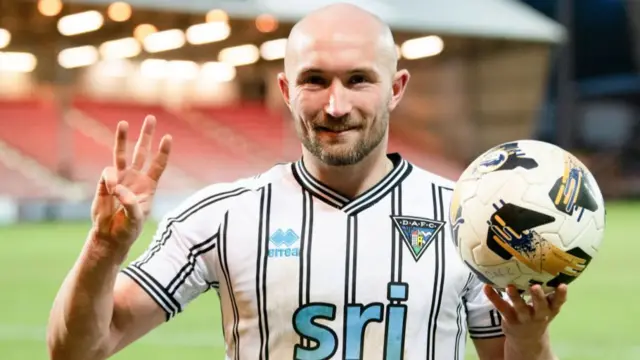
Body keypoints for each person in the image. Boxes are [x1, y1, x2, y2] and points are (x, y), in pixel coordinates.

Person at [46, 3, 567, 360]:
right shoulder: (220, 217)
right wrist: (102, 249)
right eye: (314, 80)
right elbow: (81, 349)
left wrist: (530, 337)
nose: (335, 105)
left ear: (396, 88)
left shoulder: (466, 220)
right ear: (286, 89)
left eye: (358, 79)